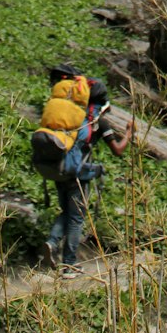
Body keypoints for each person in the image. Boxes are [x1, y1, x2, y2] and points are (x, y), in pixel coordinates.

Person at [41, 66, 133, 278]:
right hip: (78, 175)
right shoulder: (99, 122)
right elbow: (118, 150)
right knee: (76, 219)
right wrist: (129, 133)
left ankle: (52, 242)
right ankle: (69, 265)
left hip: (59, 168)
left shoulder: (72, 116)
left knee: (67, 212)